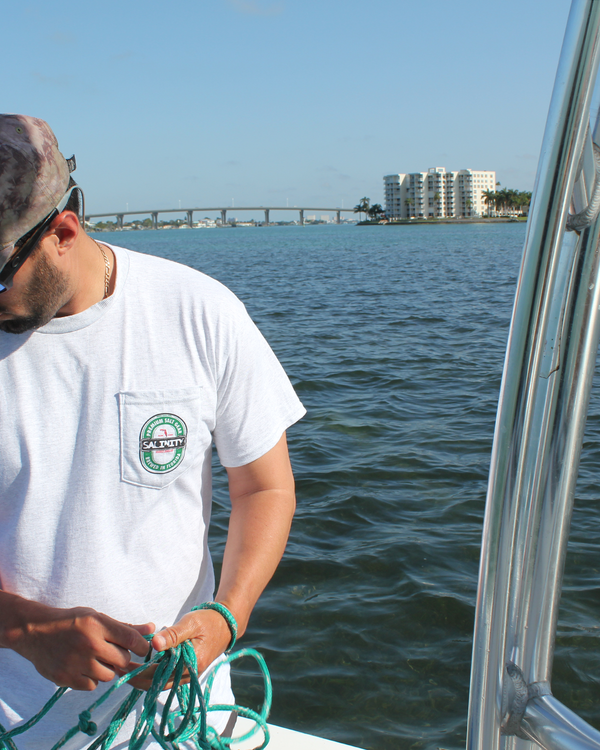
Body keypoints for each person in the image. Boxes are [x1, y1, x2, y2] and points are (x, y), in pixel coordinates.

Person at [0, 114, 305, 748]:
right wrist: (23, 628)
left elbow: (264, 488)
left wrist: (226, 616)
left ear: (63, 232)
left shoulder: (200, 311)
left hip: (184, 719)